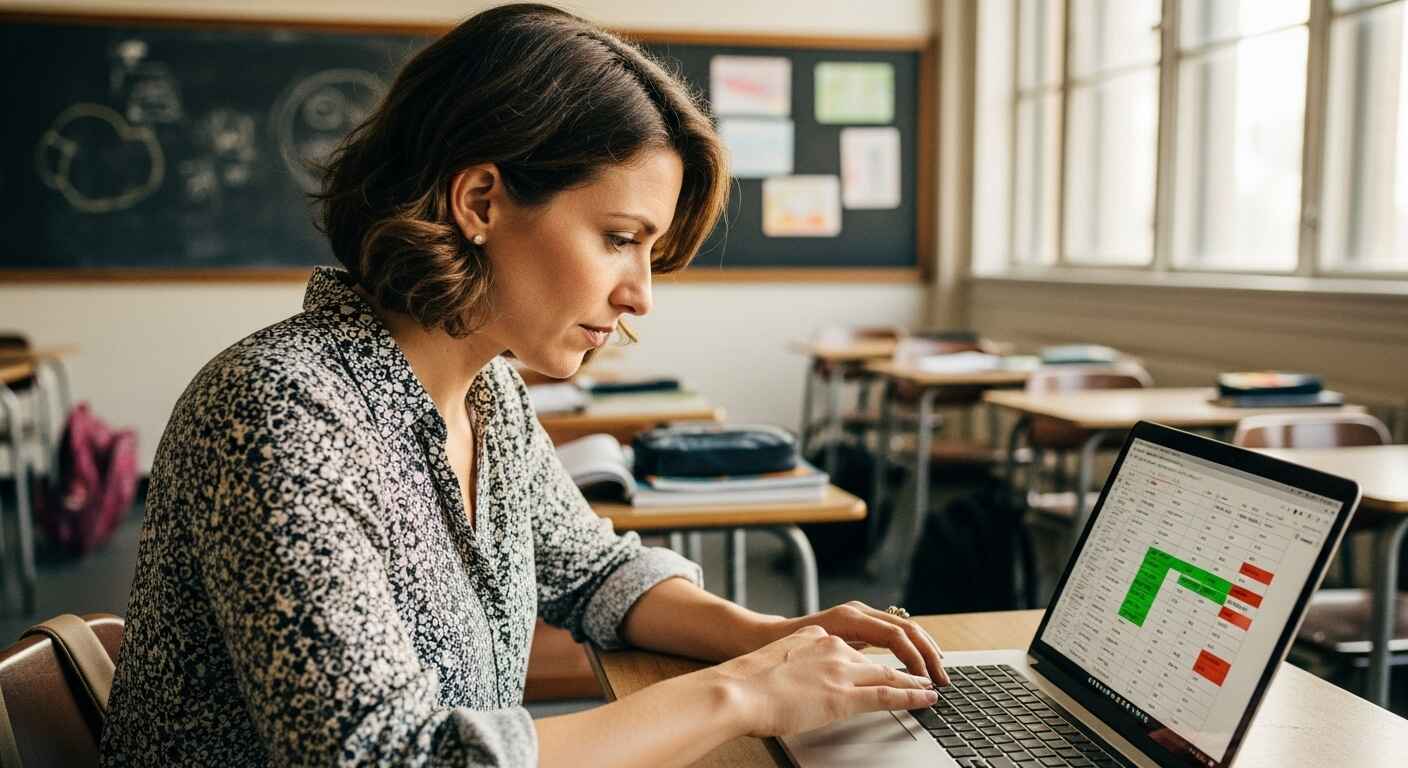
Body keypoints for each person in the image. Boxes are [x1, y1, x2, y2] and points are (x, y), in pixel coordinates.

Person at [99, 5, 947, 766]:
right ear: (479, 200)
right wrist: (743, 693)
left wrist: (777, 634)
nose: (641, 293)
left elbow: (593, 573)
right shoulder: (279, 409)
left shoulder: (486, 392)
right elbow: (387, 760)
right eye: (619, 237)